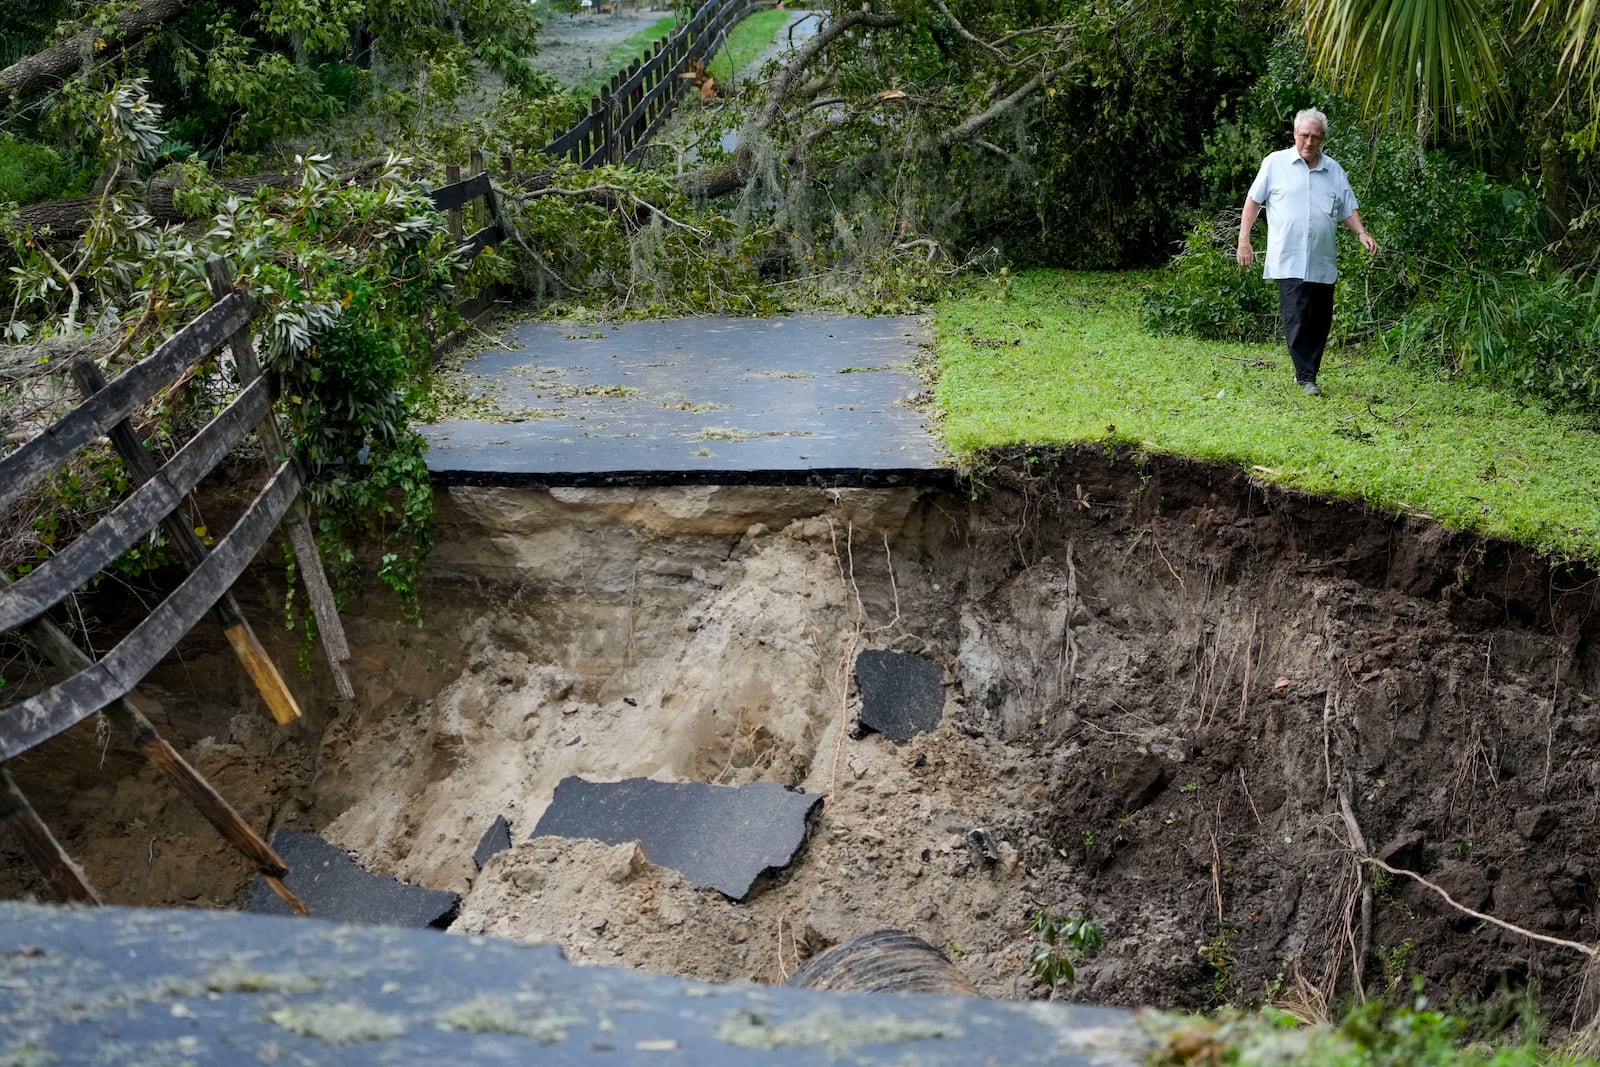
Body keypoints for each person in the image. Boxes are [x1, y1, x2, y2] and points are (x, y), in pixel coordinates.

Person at [1236, 108, 1378, 395]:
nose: (1309, 142)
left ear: (1323, 138)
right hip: (1288, 258)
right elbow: (1253, 201)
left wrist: (1361, 232)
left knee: (1321, 319)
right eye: (1304, 135)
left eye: (1315, 137)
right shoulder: (1275, 164)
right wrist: (1244, 239)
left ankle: (1308, 372)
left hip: (1321, 259)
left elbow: (1348, 208)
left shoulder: (1333, 169)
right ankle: (1306, 377)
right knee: (1297, 316)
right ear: (1295, 134)